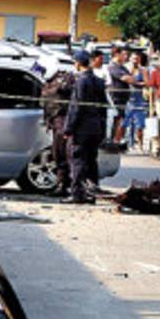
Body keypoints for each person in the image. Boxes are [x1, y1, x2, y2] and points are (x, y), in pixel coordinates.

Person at [64, 49, 106, 204]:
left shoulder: (81, 81)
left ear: (78, 63)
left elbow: (76, 107)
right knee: (91, 162)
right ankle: (91, 193)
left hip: (82, 128)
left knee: (78, 161)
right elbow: (103, 107)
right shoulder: (98, 81)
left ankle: (77, 194)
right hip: (95, 127)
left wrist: (68, 128)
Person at [38, 55, 75, 197]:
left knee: (65, 155)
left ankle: (71, 186)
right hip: (54, 122)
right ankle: (62, 184)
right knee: (57, 154)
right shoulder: (48, 82)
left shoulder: (65, 79)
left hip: (64, 122)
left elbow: (71, 95)